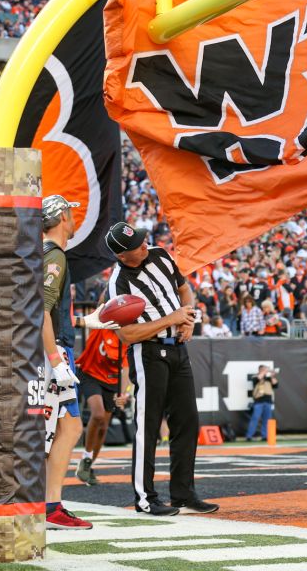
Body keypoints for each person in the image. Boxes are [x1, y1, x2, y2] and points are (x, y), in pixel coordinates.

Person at [107, 221, 218, 516]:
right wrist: (172, 319)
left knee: (187, 421)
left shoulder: (159, 254)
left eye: (142, 240)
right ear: (122, 256)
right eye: (136, 246)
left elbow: (185, 290)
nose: (144, 245)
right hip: (148, 353)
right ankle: (145, 498)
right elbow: (126, 335)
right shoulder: (118, 281)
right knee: (148, 425)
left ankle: (183, 492)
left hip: (178, 350)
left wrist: (189, 319)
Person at [39, 195, 93, 529]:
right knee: (60, 429)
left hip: (51, 347)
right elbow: (42, 310)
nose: (74, 219)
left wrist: (88, 322)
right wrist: (57, 359)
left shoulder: (42, 251)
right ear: (61, 217)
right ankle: (48, 507)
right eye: (71, 213)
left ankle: (48, 504)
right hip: (51, 351)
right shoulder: (54, 254)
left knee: (68, 427)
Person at [73, 309, 129, 486]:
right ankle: (87, 457)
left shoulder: (127, 337)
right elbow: (103, 302)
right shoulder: (101, 326)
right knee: (97, 415)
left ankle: (87, 464)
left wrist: (123, 393)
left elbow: (126, 369)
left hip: (111, 381)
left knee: (104, 426)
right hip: (89, 373)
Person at [245, 365, 277, 441]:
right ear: (260, 370)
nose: (266, 371)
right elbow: (259, 378)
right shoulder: (255, 377)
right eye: (263, 369)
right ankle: (249, 436)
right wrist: (264, 371)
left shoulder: (269, 379)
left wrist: (272, 376)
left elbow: (275, 384)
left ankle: (264, 436)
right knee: (255, 418)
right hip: (258, 401)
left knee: (267, 420)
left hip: (268, 401)